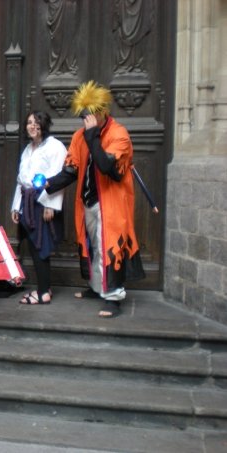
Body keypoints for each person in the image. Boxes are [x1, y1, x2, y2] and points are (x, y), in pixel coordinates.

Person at [45, 80, 145, 318]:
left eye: (89, 116)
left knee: (110, 246)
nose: (85, 121)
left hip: (111, 204)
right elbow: (71, 169)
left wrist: (92, 137)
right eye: (83, 116)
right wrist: (47, 186)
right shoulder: (81, 135)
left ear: (102, 113)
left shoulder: (118, 134)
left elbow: (106, 166)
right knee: (93, 246)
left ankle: (113, 297)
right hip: (88, 202)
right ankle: (97, 287)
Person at [10, 111, 67, 305]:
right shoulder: (28, 149)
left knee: (41, 247)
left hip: (43, 202)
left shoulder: (55, 146)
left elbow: (58, 177)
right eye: (29, 122)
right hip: (27, 203)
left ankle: (43, 293)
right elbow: (21, 180)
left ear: (45, 124)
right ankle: (45, 288)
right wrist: (16, 207)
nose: (32, 126)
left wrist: (50, 205)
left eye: (36, 122)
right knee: (34, 247)